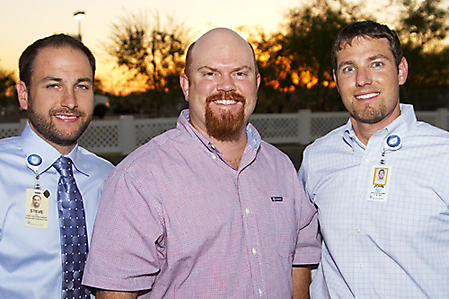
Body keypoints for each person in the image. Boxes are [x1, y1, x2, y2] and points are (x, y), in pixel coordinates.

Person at [82, 28, 321, 298]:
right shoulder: (139, 178)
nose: (227, 85)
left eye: (240, 73)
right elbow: (115, 289)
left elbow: (300, 254)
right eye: (210, 73)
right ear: (186, 85)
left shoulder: (281, 167)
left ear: (256, 83)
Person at [298, 20, 449, 298]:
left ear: (401, 71)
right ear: (335, 79)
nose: (362, 79)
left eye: (376, 64)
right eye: (349, 68)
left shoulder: (443, 156)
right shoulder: (316, 158)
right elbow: (300, 248)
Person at [0, 34, 114, 298]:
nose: (70, 101)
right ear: (24, 95)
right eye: (53, 85)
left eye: (82, 86)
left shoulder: (109, 177)